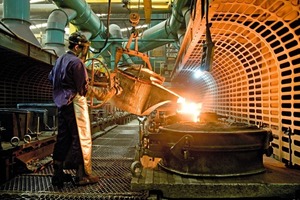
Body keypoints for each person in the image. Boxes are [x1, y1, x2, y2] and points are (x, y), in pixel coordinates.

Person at [48, 31, 99, 188]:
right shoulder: (77, 63)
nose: (84, 51)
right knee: (81, 138)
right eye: (83, 48)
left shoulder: (59, 61)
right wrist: (106, 92)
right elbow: (83, 89)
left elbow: (51, 78)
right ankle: (82, 175)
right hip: (74, 106)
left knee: (63, 139)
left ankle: (57, 174)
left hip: (62, 106)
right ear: (77, 47)